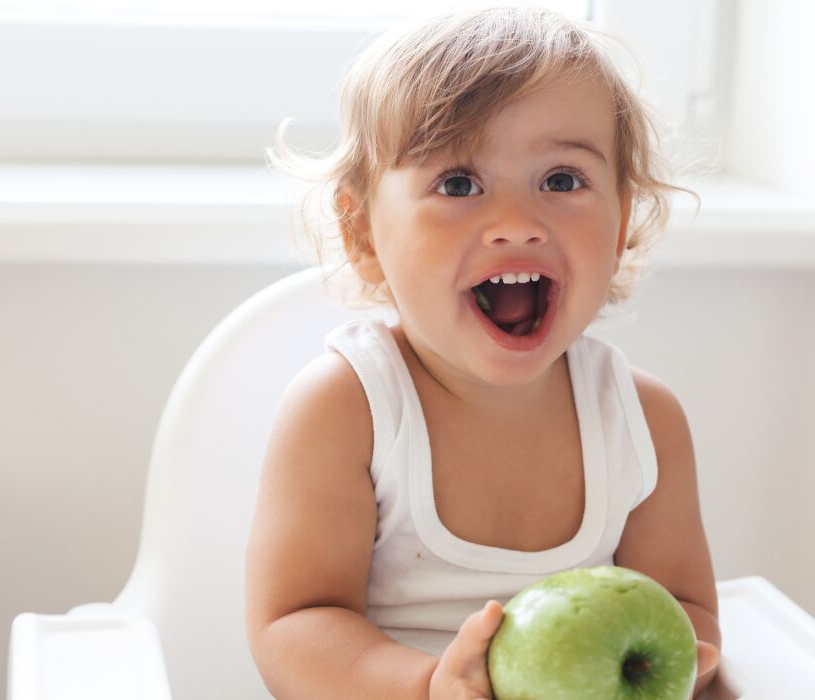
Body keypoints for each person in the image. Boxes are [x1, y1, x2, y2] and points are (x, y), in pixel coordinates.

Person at [245, 6, 720, 698]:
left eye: (562, 180)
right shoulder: (349, 410)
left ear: (621, 221)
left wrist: (684, 666)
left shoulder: (645, 422)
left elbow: (688, 614)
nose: (518, 226)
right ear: (363, 235)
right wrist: (428, 685)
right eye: (459, 184)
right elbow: (294, 627)